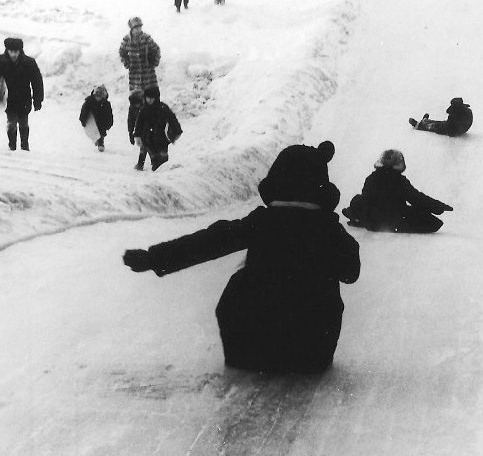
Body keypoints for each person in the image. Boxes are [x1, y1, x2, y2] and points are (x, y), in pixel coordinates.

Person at [122, 141, 360, 373]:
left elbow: (211, 242)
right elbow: (350, 273)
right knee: (322, 293)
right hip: (311, 351)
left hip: (253, 352)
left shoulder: (262, 222)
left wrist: (155, 258)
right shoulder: (328, 229)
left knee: (241, 282)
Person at [342, 149, 453, 234]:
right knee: (434, 222)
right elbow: (417, 199)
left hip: (371, 221)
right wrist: (438, 206)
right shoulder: (399, 181)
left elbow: (366, 199)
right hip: (393, 220)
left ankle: (355, 215)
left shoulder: (371, 178)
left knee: (358, 199)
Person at [0, 37, 43, 151]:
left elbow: (37, 82)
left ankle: (25, 146)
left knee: (24, 123)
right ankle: (12, 146)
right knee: (11, 123)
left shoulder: (29, 63)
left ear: (20, 51)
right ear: (7, 50)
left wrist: (38, 99)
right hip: (9, 99)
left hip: (24, 98)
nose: (13, 54)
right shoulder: (0, 61)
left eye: (16, 52)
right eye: (11, 51)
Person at [132, 86, 182, 172]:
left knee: (163, 162)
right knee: (151, 158)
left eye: (151, 98)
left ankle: (162, 172)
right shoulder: (144, 109)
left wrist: (177, 131)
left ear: (156, 97)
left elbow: (172, 119)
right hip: (147, 138)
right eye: (147, 98)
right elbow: (139, 123)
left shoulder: (163, 108)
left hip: (161, 139)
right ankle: (141, 164)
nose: (149, 100)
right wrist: (137, 135)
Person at [119, 17, 161, 92]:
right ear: (131, 29)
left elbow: (156, 49)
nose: (139, 30)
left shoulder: (146, 38)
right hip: (135, 75)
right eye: (136, 28)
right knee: (136, 98)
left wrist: (154, 62)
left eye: (140, 28)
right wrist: (127, 64)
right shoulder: (126, 40)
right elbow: (122, 53)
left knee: (151, 95)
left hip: (148, 74)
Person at [408, 97, 473, 137]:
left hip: (454, 131)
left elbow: (449, 124)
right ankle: (426, 121)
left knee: (437, 126)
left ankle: (419, 125)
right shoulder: (465, 110)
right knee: (440, 123)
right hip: (461, 128)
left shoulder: (456, 113)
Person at [79, 85, 114, 152]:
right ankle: (96, 139)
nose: (98, 98)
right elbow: (84, 112)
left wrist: (109, 124)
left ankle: (101, 143)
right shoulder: (89, 102)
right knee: (93, 131)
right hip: (91, 119)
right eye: (96, 96)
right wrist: (83, 120)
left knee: (101, 132)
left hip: (102, 120)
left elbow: (109, 115)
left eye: (100, 96)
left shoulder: (106, 104)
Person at [127, 89, 148, 170]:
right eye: (134, 104)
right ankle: (140, 164)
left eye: (137, 104)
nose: (136, 106)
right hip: (141, 128)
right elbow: (130, 120)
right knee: (144, 146)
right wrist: (130, 133)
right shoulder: (132, 107)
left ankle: (157, 163)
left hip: (151, 127)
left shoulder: (148, 105)